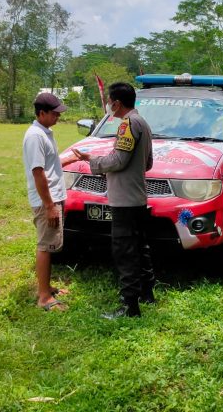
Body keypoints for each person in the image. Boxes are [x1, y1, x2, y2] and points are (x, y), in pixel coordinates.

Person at [72, 82, 155, 318]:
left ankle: (130, 306)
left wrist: (93, 160)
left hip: (124, 200)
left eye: (109, 101)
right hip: (137, 197)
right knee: (140, 247)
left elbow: (118, 161)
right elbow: (147, 163)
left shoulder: (127, 125)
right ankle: (146, 293)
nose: (108, 105)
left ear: (116, 103)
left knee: (125, 251)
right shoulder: (143, 123)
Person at [23, 92, 79, 311]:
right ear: (42, 113)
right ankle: (44, 297)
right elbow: (38, 173)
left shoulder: (46, 132)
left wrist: (72, 158)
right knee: (45, 246)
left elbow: (49, 163)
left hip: (55, 196)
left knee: (51, 243)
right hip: (48, 200)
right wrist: (49, 206)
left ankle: (47, 287)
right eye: (54, 113)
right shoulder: (35, 136)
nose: (58, 116)